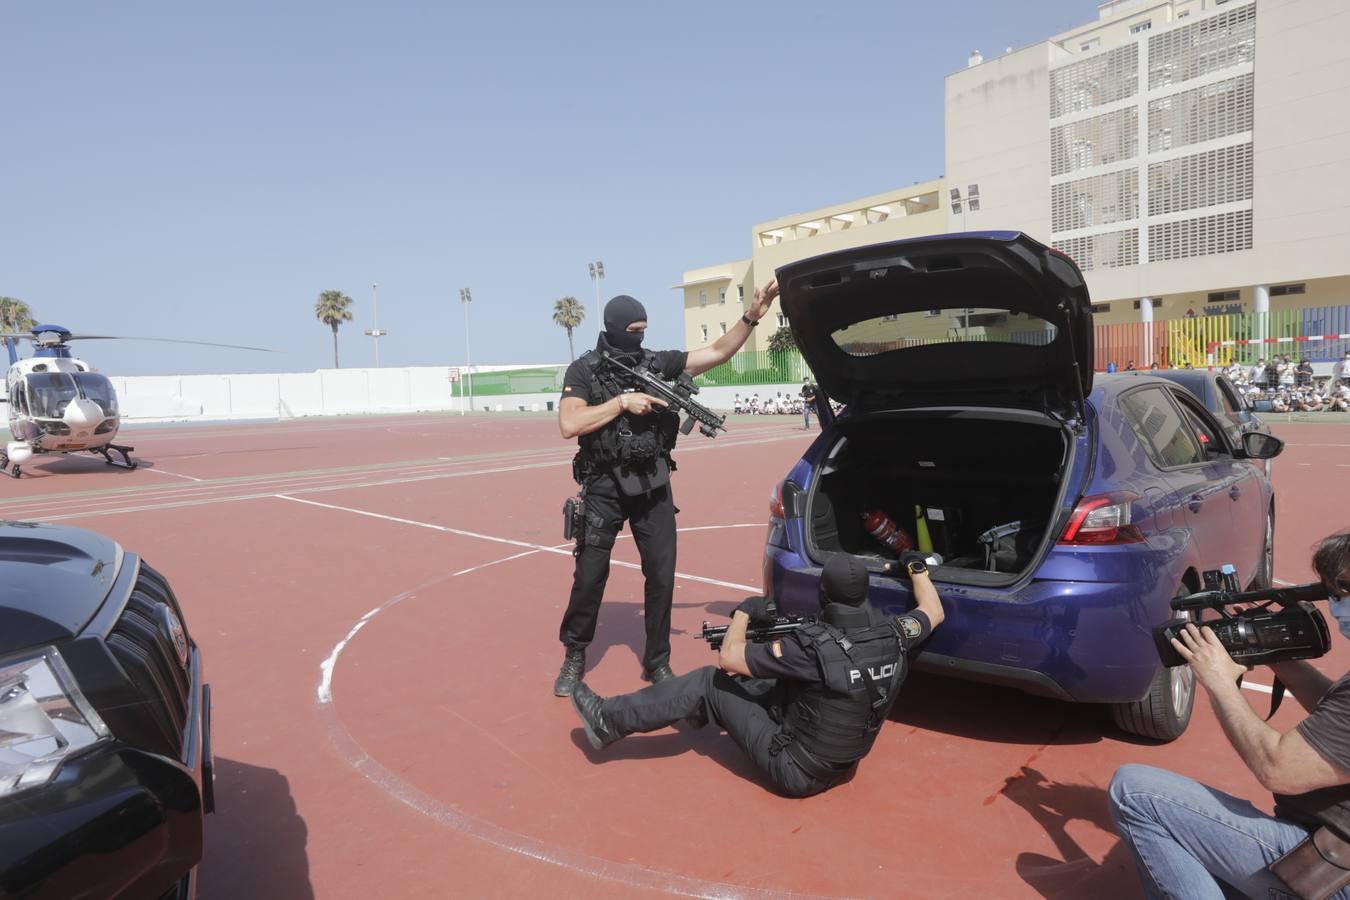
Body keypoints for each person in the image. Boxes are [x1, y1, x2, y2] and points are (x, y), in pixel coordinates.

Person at [553, 285, 780, 696]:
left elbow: (716, 352)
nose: (639, 336)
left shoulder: (658, 362)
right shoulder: (584, 370)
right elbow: (570, 424)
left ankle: (657, 661)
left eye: (644, 329)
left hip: (654, 485)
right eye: (633, 330)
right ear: (615, 329)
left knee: (661, 575)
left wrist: (752, 316)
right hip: (604, 485)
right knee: (589, 577)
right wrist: (622, 402)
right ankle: (575, 653)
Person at [569, 552, 944, 797]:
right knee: (766, 680)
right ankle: (694, 709)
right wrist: (916, 568)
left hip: (796, 772)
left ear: (825, 595)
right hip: (844, 765)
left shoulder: (810, 648)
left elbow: (729, 659)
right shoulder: (897, 632)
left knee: (708, 682)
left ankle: (606, 720)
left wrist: (744, 613)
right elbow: (933, 609)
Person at [1109, 532, 1350, 899]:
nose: (1336, 605)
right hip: (1332, 852)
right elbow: (1337, 724)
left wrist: (1218, 681)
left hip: (1331, 875)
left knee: (1134, 792)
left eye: (1343, 591)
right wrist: (1273, 654)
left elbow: (1278, 769)